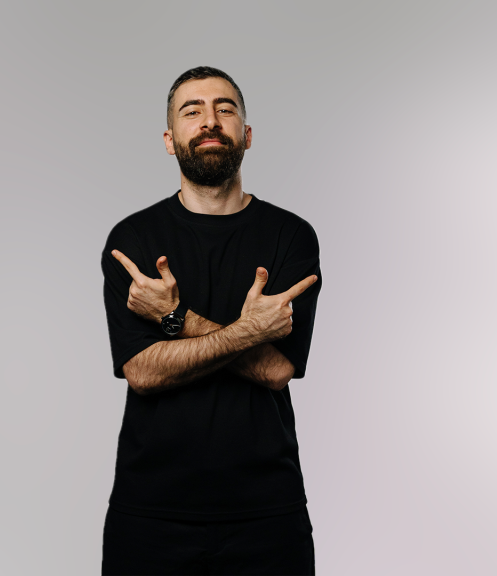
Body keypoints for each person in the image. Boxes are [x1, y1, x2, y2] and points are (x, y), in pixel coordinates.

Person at [100, 66, 322, 575]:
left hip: (267, 512)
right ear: (169, 140)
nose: (210, 121)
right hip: (150, 513)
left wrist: (173, 316)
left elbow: (276, 370)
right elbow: (143, 372)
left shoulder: (290, 236)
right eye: (192, 110)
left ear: (247, 134)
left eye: (225, 109)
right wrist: (248, 332)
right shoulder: (133, 239)